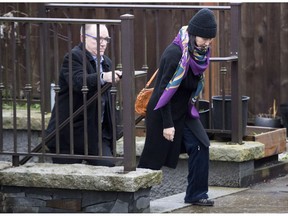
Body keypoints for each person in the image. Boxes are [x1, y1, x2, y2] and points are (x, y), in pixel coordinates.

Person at [138, 9, 217, 206]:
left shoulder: (199, 54)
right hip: (163, 111)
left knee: (202, 145)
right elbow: (164, 91)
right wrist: (167, 124)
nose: (207, 43)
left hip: (184, 110)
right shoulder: (174, 53)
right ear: (193, 34)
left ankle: (196, 193)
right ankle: (133, 199)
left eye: (210, 39)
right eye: (204, 38)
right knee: (151, 161)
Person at [46, 24, 122, 166]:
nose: (103, 43)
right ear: (83, 38)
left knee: (108, 167)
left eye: (106, 39)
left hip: (96, 135)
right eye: (97, 39)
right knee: (66, 178)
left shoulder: (107, 62)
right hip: (70, 134)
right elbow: (78, 81)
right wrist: (103, 77)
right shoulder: (73, 57)